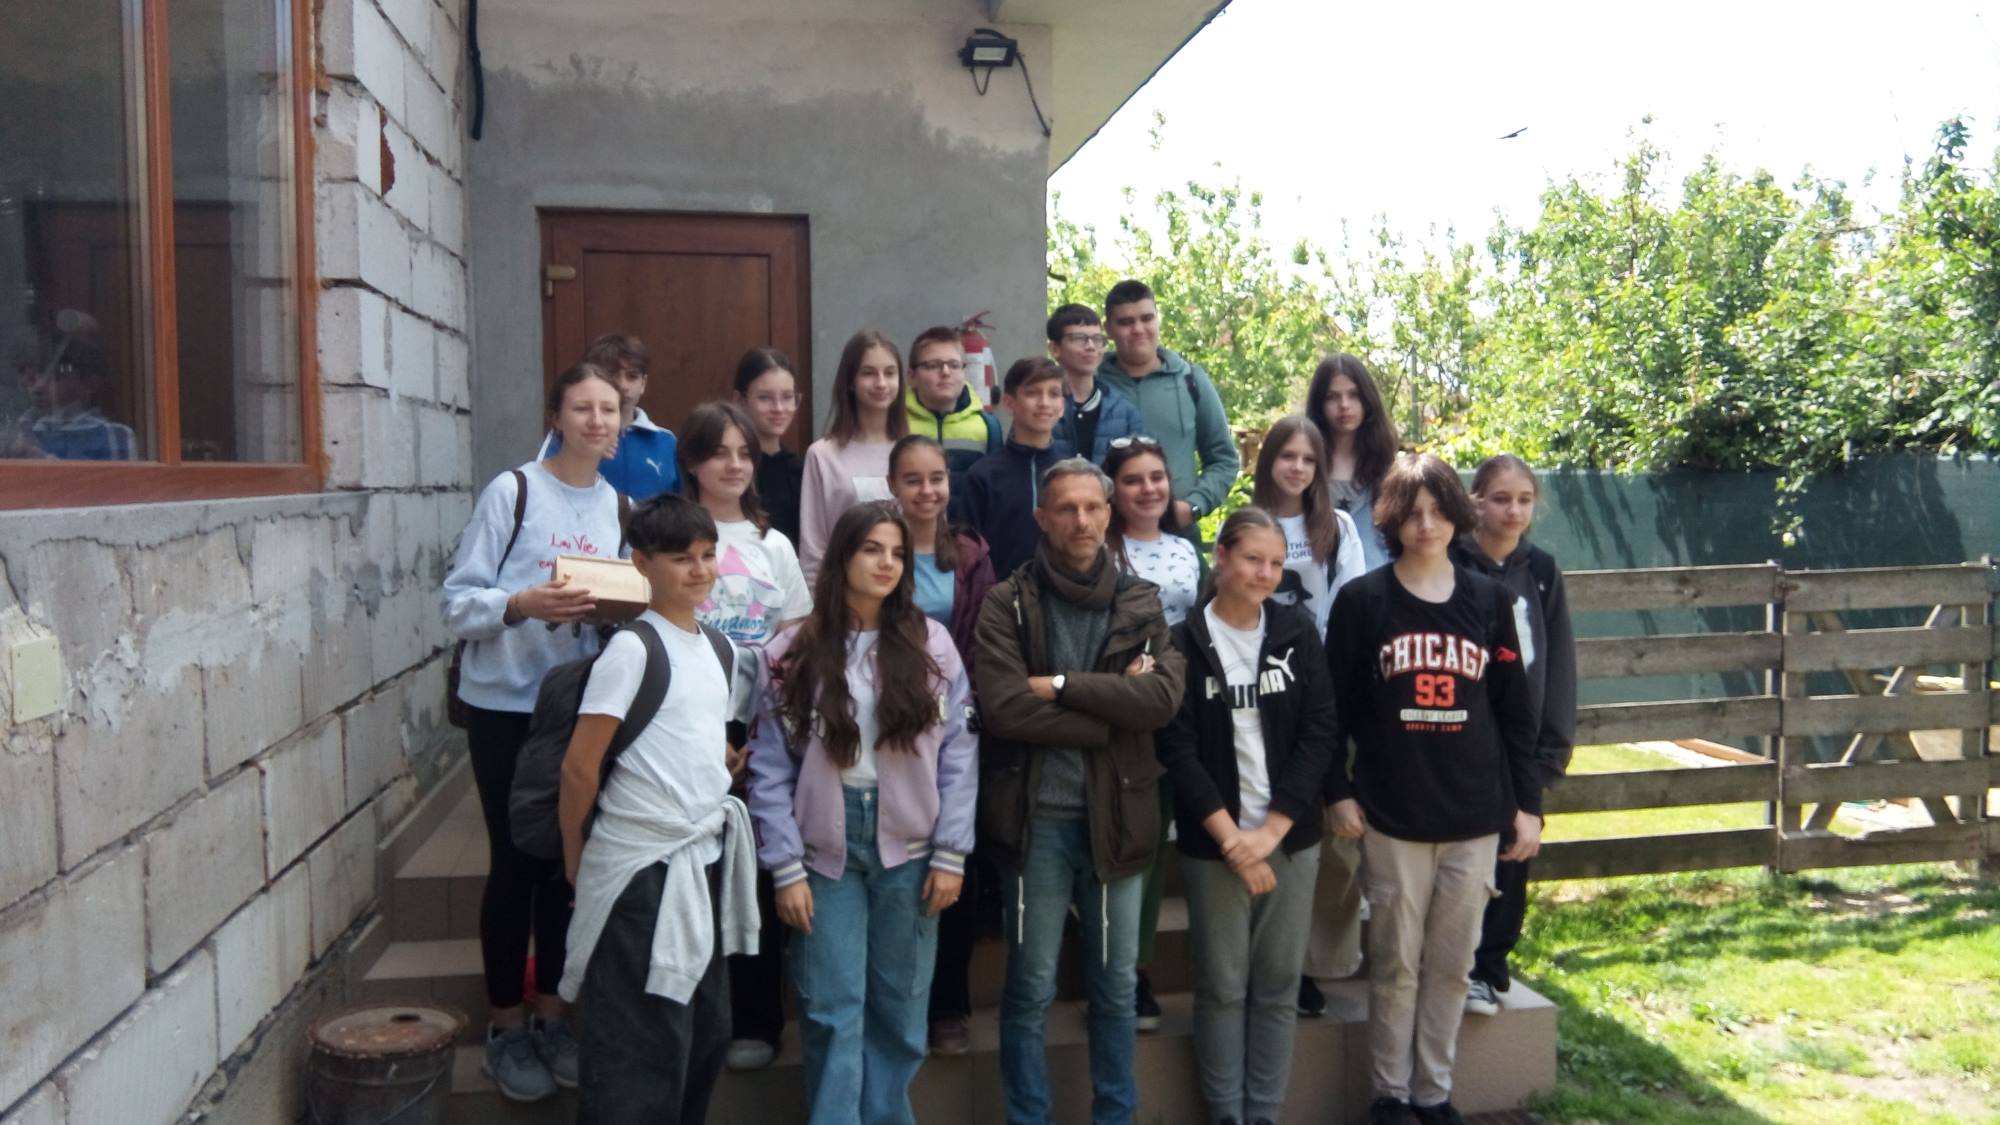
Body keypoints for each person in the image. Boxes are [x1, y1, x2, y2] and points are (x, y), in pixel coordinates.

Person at [1324, 453, 1541, 1125]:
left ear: (1457, 515)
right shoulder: (1363, 601)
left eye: (1439, 511)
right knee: (1395, 965)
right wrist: (1337, 791)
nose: (1426, 524)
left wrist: (1527, 805)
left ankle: (1433, 1092)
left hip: (1474, 814)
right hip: (1392, 812)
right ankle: (1390, 1093)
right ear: (1391, 519)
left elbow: (1516, 713)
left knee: (1451, 965)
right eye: (1412, 513)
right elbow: (1330, 712)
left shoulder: (1491, 600)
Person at [747, 501, 979, 1125]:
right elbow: (769, 766)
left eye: (898, 553)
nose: (886, 563)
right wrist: (785, 867)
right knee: (831, 1008)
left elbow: (960, 753)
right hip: (824, 849)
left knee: (902, 1012)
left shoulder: (931, 644)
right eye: (872, 549)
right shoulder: (792, 649)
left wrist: (952, 853)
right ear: (842, 556)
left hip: (913, 849)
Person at [973, 457, 1186, 1125]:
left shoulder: (1140, 600)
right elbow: (1005, 707)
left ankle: (1114, 1115)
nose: (1081, 520)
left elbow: (1161, 699)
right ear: (1042, 518)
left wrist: (1062, 686)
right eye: (1066, 508)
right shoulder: (1007, 601)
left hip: (1115, 819)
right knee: (1030, 986)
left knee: (1116, 986)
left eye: (1093, 507)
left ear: (1109, 513)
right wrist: (1109, 715)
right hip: (1035, 821)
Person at [441, 362, 627, 1103]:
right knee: (516, 861)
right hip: (504, 705)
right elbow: (457, 603)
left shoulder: (619, 505)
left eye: (610, 409)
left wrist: (609, 612)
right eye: (582, 407)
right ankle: (505, 1026)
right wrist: (521, 603)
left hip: (576, 706)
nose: (597, 421)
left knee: (562, 862)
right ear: (556, 415)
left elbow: (621, 601)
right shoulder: (512, 491)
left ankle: (552, 1014)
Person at [554, 493, 757, 1125]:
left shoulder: (720, 648)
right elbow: (580, 766)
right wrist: (576, 858)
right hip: (641, 867)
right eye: (681, 558)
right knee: (640, 1044)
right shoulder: (633, 649)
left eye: (707, 555)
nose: (699, 570)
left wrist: (718, 763)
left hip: (700, 860)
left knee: (703, 1034)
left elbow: (692, 731)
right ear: (641, 563)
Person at [1156, 507, 1339, 1125]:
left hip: (1290, 840)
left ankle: (1263, 1112)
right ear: (1221, 556)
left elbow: (1320, 732)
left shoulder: (1296, 631)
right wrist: (1234, 841)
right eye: (1253, 559)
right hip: (1215, 843)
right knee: (1221, 986)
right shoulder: (1181, 642)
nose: (1265, 573)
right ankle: (1226, 1113)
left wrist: (1272, 832)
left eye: (1275, 563)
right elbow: (1177, 748)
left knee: (1279, 985)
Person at [676, 400, 815, 1072]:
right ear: (692, 461)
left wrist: (761, 736)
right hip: (684, 724)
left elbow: (795, 639)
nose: (733, 465)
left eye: (743, 453)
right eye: (718, 452)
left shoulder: (773, 544)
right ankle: (695, 1018)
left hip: (761, 729)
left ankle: (758, 1019)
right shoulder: (673, 535)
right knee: (693, 875)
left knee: (758, 873)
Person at [1449, 454, 1575, 1019]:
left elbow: (1559, 661)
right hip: (1459, 732)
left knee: (1512, 851)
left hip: (1521, 742)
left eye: (1524, 500)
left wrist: (1551, 749)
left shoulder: (1541, 571)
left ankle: (1487, 967)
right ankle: (1450, 963)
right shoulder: (1449, 561)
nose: (1513, 511)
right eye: (1501, 499)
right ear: (1475, 501)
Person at [1252, 415, 1370, 1017]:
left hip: (1327, 696)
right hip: (1264, 699)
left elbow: (1352, 609)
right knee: (1275, 830)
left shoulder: (1338, 527)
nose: (1297, 467)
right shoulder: (1250, 523)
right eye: (1287, 456)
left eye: (1308, 459)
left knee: (1334, 841)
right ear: (1268, 461)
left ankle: (1316, 961)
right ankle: (1274, 962)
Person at [886, 434, 998, 1056]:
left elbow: (984, 638)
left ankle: (948, 1005)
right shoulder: (877, 546)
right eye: (913, 479)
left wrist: (961, 708)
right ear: (892, 486)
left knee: (953, 866)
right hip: (884, 730)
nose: (927, 490)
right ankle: (895, 1007)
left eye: (937, 478)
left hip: (954, 727)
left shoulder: (972, 554)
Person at [1103, 434, 1204, 1031]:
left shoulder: (1186, 549)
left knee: (1161, 839)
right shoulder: (1103, 552)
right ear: (1113, 492)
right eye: (1133, 480)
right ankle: (1121, 970)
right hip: (1123, 712)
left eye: (1157, 477)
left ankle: (1137, 963)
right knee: (1130, 841)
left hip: (1180, 709)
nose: (1148, 489)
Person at [1094, 281, 1240, 533]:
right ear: (1108, 329)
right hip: (1105, 535)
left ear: (1157, 319)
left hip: (1179, 533)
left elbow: (1224, 459)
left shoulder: (1191, 380)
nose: (1138, 329)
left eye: (1146, 318)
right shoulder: (1089, 384)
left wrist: (1193, 506)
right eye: (1126, 322)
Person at [801, 330, 908, 584]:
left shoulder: (913, 452)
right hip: (842, 594)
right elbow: (813, 548)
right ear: (850, 381)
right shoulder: (822, 455)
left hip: (905, 593)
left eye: (889, 373)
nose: (881, 383)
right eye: (868, 373)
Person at [536, 333, 679, 500]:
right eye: (612, 374)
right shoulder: (569, 436)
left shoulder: (665, 441)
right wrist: (585, 455)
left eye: (632, 376)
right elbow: (543, 489)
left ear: (643, 383)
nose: (623, 385)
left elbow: (683, 502)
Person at [962, 357, 1068, 581]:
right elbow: (969, 551)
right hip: (1000, 594)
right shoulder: (983, 475)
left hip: (1064, 592)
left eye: (1054, 394)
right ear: (1010, 404)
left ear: (1062, 406)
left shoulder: (1073, 473)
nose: (1044, 403)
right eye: (1032, 393)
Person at [1305, 353, 1400, 570]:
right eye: (1332, 397)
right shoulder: (1305, 463)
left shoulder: (1388, 466)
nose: (1344, 405)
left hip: (1376, 579)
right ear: (1319, 404)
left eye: (1354, 395)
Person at [6, 330, 137, 461]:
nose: (38, 387)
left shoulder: (113, 436)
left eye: (55, 376)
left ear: (90, 383)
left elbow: (116, 475)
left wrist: (42, 459)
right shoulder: (21, 434)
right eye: (33, 378)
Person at [1046, 304, 1143, 464]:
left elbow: (1137, 468)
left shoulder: (1124, 411)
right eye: (1079, 339)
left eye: (1097, 339)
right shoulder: (1041, 407)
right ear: (1055, 349)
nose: (1091, 346)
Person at [903, 325, 1001, 482]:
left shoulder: (987, 427)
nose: (946, 372)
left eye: (954, 365)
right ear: (912, 376)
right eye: (933, 365)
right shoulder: (894, 423)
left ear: (964, 372)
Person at [735, 346, 806, 547]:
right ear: (740, 400)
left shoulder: (801, 471)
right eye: (765, 398)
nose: (779, 408)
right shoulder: (732, 469)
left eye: (787, 397)